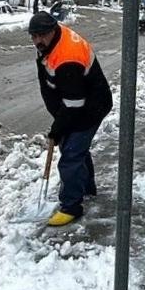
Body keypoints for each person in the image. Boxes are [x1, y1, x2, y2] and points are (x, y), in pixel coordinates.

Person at [28, 12, 112, 226]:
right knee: (75, 148)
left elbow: (74, 104)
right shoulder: (53, 41)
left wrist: (57, 129)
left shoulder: (68, 57)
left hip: (89, 107)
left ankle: (71, 206)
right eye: (34, 35)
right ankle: (86, 188)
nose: (38, 40)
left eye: (42, 35)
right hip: (76, 103)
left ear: (53, 30)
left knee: (71, 155)